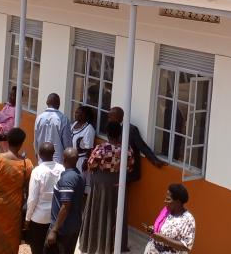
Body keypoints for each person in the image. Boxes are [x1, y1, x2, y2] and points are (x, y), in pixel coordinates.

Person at [108, 106, 165, 250]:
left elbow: (142, 146)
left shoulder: (131, 130)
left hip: (127, 173)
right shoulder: (111, 127)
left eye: (111, 117)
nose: (109, 119)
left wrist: (154, 160)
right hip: (115, 172)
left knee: (120, 205)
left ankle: (119, 240)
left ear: (120, 118)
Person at [78, 121, 134, 254]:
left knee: (99, 211)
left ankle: (95, 245)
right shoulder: (128, 149)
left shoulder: (101, 148)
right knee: (116, 213)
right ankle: (115, 246)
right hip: (118, 185)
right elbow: (130, 167)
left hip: (102, 185)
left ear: (107, 134)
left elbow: (91, 165)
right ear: (120, 134)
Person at [26, 142, 65, 254]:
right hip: (56, 216)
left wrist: (27, 218)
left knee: (37, 248)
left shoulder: (37, 171)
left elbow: (32, 199)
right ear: (54, 153)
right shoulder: (61, 169)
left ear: (39, 154)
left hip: (39, 217)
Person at [46, 148, 85, 254]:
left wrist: (54, 230)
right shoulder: (79, 175)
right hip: (73, 226)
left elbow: (65, 206)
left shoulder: (68, 178)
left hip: (62, 229)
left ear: (64, 159)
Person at [143, 184, 196, 254]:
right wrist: (153, 230)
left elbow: (186, 246)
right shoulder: (166, 211)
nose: (165, 201)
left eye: (168, 199)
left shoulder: (188, 220)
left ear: (178, 202)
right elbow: (160, 229)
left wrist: (163, 239)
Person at [34, 93, 72, 164]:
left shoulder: (39, 118)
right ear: (59, 104)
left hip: (42, 159)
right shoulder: (63, 119)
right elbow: (67, 144)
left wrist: (37, 153)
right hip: (57, 161)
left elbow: (36, 139)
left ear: (47, 102)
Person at [0, 86, 17, 154]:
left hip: (4, 139)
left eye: (12, 95)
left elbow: (9, 127)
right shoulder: (7, 106)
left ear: (17, 98)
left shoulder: (16, 110)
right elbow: (0, 117)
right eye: (10, 94)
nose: (9, 97)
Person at [71, 106, 96, 175]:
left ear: (85, 115)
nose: (76, 114)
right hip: (72, 158)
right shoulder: (75, 124)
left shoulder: (89, 129)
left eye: (79, 113)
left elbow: (89, 148)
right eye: (76, 112)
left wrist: (86, 161)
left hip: (80, 160)